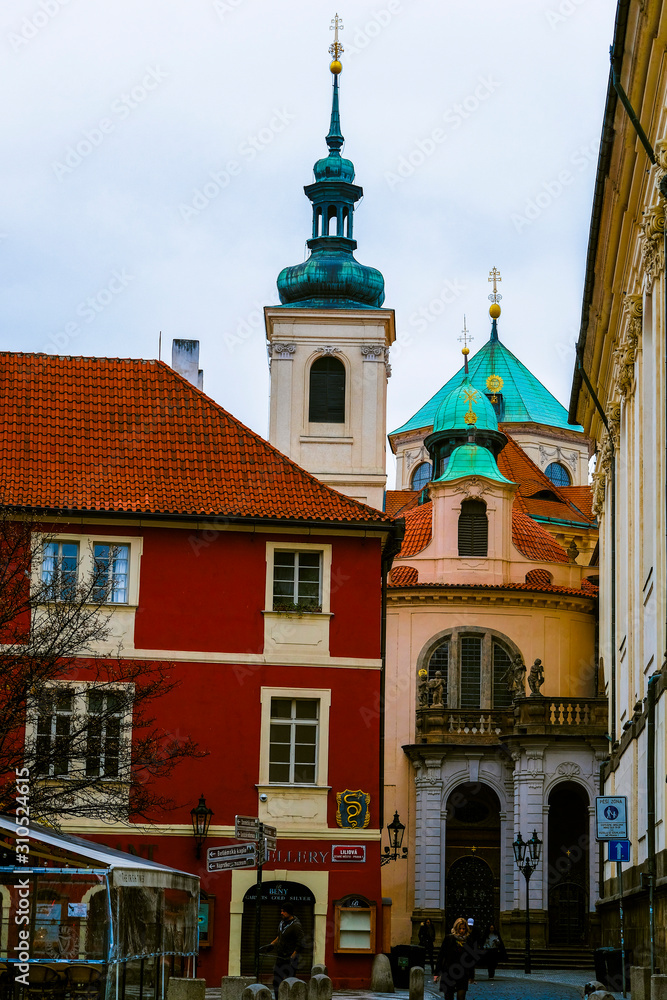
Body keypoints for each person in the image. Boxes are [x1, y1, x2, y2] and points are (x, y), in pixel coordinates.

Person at [260, 903, 305, 1000]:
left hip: (290, 958)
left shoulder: (296, 925)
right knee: (276, 981)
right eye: (281, 911)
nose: (281, 913)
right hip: (280, 957)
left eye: (284, 911)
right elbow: (279, 937)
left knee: (290, 983)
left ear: (289, 912)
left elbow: (300, 942)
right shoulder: (281, 923)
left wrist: (293, 955)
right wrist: (271, 944)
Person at [433, 917, 475, 1000]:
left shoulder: (468, 941)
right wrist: (437, 973)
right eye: (460, 929)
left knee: (461, 996)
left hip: (462, 973)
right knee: (449, 996)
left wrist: (471, 976)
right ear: (456, 928)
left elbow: (471, 959)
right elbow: (441, 956)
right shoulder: (449, 939)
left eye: (463, 929)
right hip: (449, 972)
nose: (462, 931)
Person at [465, 917, 481, 984]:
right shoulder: (465, 930)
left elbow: (478, 939)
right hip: (467, 949)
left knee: (472, 964)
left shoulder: (476, 930)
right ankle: (467, 977)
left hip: (473, 949)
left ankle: (471, 977)